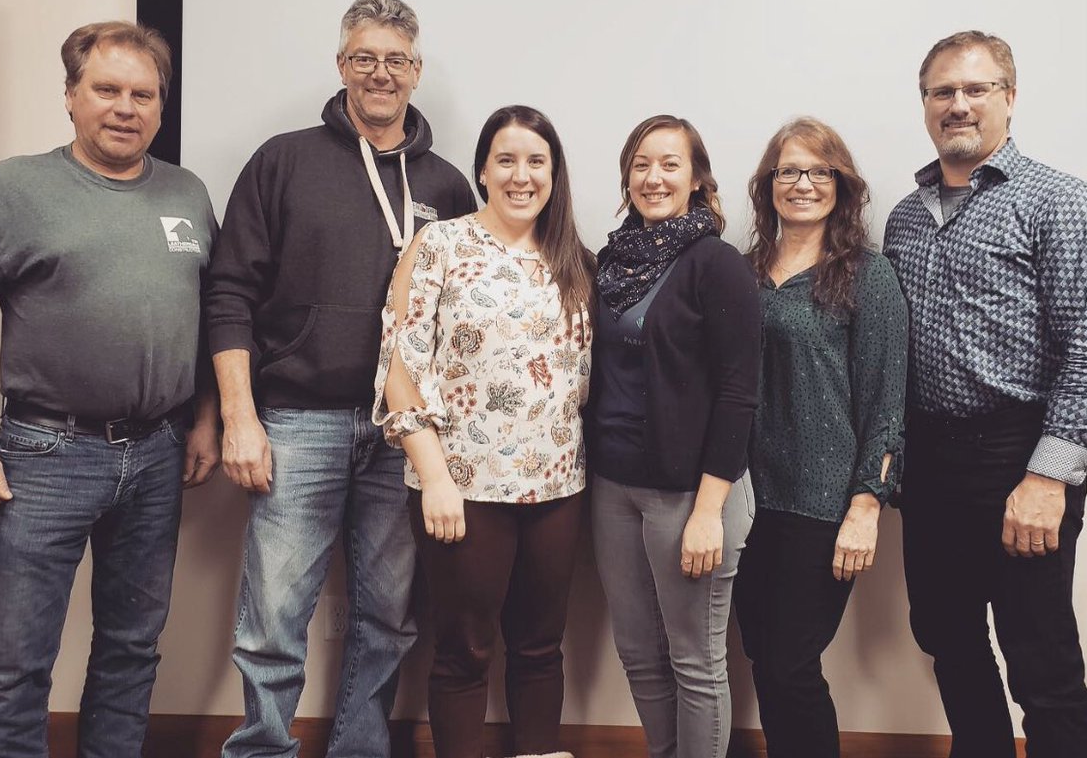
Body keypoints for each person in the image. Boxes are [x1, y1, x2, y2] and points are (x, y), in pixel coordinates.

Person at [207, 0, 476, 758]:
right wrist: (239, 415)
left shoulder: (450, 187)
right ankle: (261, 748)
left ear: (416, 71)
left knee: (388, 615)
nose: (380, 73)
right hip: (300, 419)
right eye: (365, 57)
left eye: (396, 59)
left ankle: (359, 749)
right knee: (274, 617)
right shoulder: (283, 161)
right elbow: (229, 290)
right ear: (341, 65)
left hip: (406, 436)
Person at [0, 21, 220, 758]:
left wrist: (204, 416)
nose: (125, 107)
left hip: (158, 451)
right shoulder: (9, 189)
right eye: (106, 89)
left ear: (160, 107)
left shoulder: (189, 193)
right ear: (71, 96)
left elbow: (209, 312)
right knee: (14, 664)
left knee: (132, 650)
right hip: (44, 450)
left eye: (143, 94)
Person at [883, 31, 1087, 758]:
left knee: (1039, 652)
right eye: (942, 92)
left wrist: (1048, 475)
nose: (958, 104)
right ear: (926, 104)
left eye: (976, 88)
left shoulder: (1063, 203)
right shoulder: (904, 216)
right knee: (946, 633)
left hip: (1020, 454)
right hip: (932, 462)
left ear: (1009, 98)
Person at [375, 105, 594, 758]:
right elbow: (398, 364)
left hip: (557, 485)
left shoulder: (574, 258)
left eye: (536, 161)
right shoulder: (440, 244)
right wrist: (435, 475)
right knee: (465, 649)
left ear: (554, 174)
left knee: (538, 646)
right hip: (461, 488)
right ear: (482, 169)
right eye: (506, 159)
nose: (521, 175)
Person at [733, 117, 907, 757]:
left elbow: (888, 401)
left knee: (788, 662)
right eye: (788, 171)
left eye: (818, 171)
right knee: (760, 654)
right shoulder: (742, 271)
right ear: (768, 185)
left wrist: (867, 504)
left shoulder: (869, 276)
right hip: (747, 500)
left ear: (841, 185)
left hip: (824, 505)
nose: (802, 183)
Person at [588, 115, 759, 758]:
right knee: (637, 652)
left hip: (690, 494)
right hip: (612, 486)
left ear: (696, 179)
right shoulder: (610, 263)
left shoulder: (716, 265)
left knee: (695, 659)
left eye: (669, 164)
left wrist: (709, 511)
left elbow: (739, 393)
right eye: (640, 164)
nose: (653, 177)